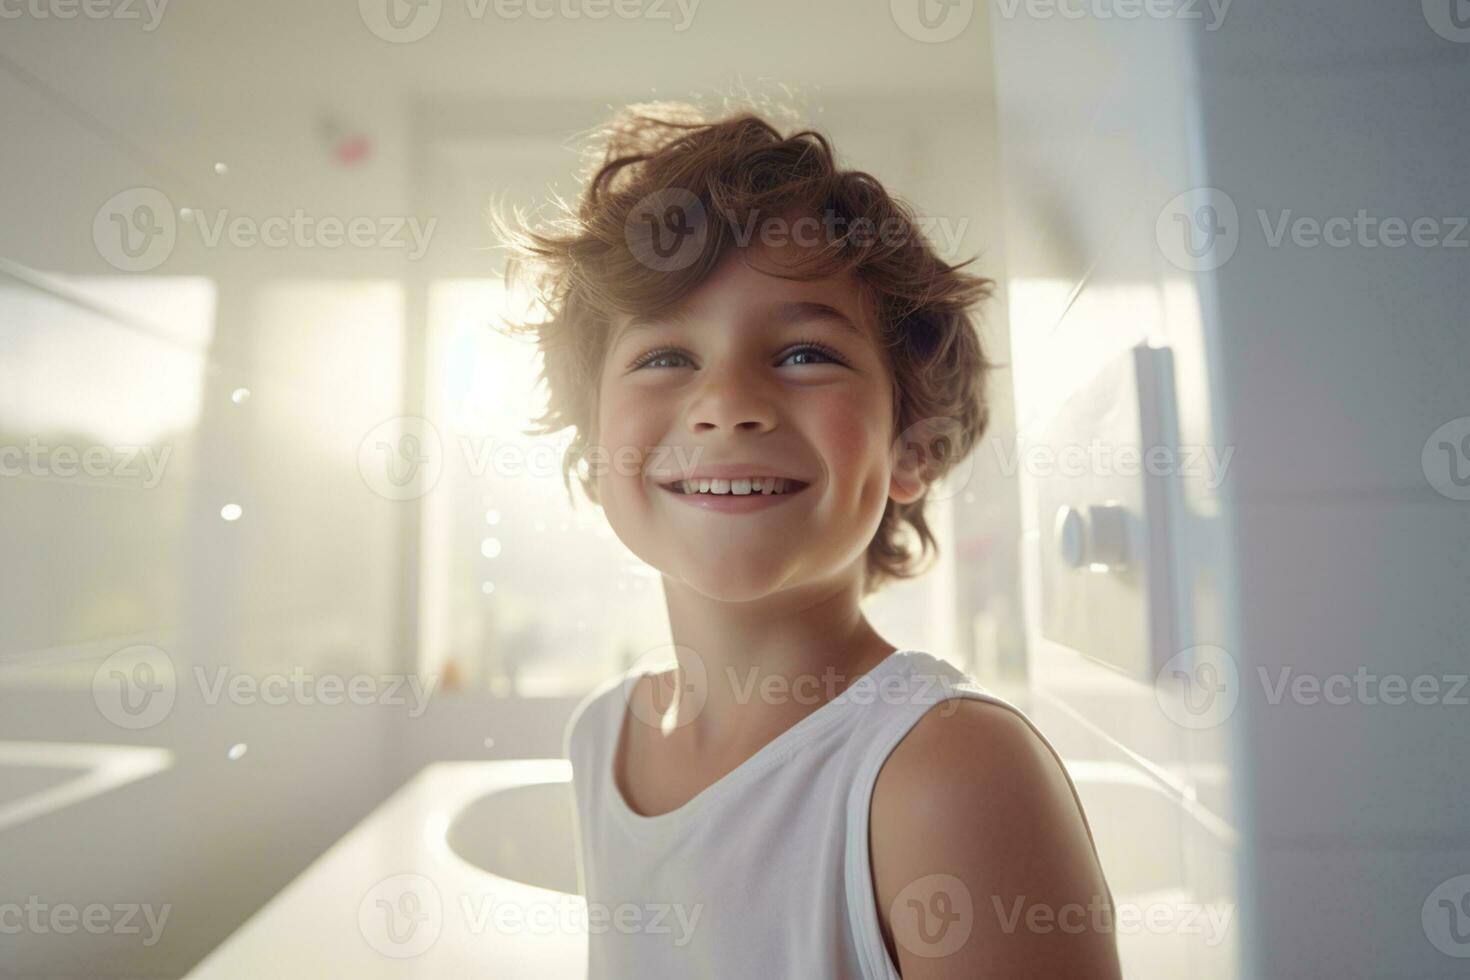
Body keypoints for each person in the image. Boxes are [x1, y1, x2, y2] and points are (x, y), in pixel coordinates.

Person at [493, 101, 1122, 979]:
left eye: (802, 356)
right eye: (666, 356)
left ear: (914, 450)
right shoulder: (604, 737)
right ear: (596, 453)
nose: (726, 402)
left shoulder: (948, 772)